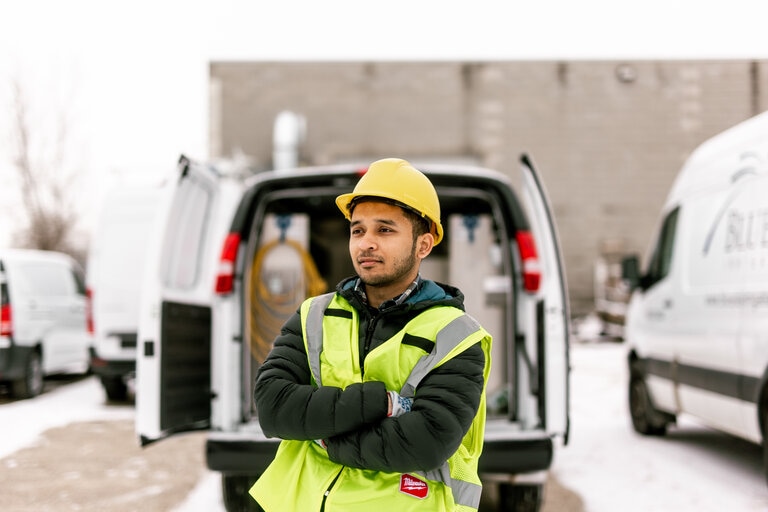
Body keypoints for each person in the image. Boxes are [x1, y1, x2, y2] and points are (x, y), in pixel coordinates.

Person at [249, 157, 493, 511]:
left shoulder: (455, 336)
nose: (366, 243)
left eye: (385, 230)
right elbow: (273, 408)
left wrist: (327, 440)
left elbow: (425, 441)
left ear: (423, 245)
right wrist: (384, 403)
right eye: (358, 230)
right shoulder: (313, 316)